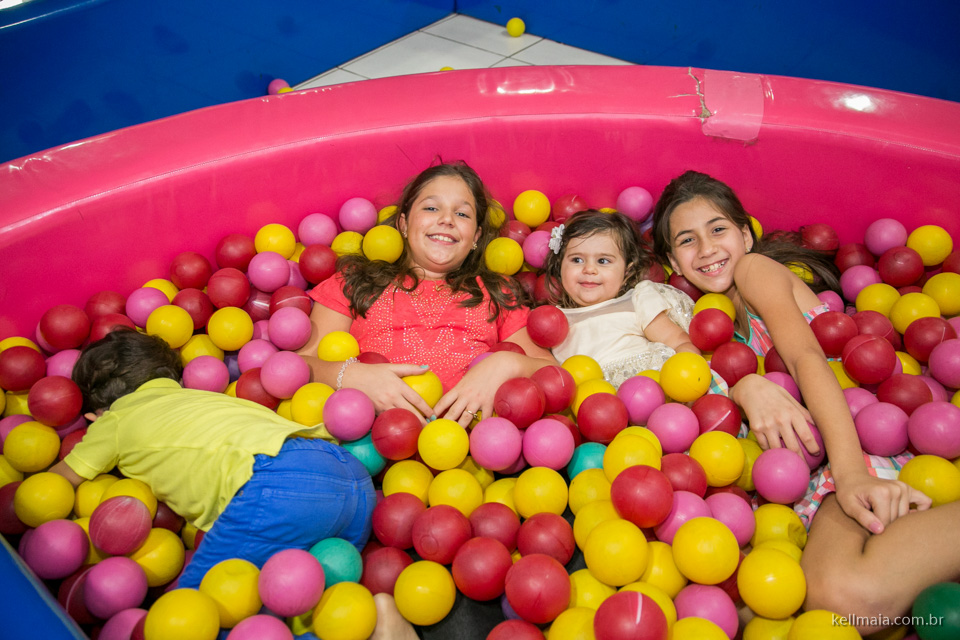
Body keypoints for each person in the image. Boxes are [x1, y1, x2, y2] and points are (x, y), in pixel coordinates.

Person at [651, 170, 958, 634]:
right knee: (780, 606)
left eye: (718, 230)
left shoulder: (755, 271)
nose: (707, 249)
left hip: (859, 440)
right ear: (673, 258)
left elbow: (805, 358)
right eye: (687, 240)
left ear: (745, 234)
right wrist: (742, 388)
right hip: (809, 478)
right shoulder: (709, 323)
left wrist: (853, 475)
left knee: (846, 597)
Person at [46, 329, 417, 638]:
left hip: (275, 483)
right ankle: (375, 621)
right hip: (348, 474)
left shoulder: (114, 422)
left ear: (96, 412)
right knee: (303, 600)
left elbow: (60, 482)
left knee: (196, 613)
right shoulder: (205, 398)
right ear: (172, 379)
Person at [299, 161, 557, 427]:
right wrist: (351, 376)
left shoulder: (497, 292)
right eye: (432, 208)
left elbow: (554, 375)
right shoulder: (355, 282)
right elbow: (297, 367)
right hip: (357, 442)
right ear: (403, 222)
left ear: (477, 236)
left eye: (463, 214)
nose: (446, 219)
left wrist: (505, 364)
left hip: (474, 452)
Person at [542, 209, 711, 389]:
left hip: (652, 386)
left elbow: (679, 342)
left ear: (627, 270)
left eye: (603, 261)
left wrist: (688, 379)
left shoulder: (636, 302)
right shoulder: (551, 320)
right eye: (577, 260)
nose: (589, 269)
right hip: (593, 403)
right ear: (560, 265)